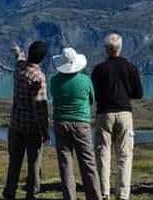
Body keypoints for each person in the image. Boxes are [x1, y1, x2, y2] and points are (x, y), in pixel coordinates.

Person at [91, 33, 144, 200]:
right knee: (124, 155)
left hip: (104, 113)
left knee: (102, 153)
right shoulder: (131, 67)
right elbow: (139, 93)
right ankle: (122, 194)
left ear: (107, 49)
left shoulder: (98, 69)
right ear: (120, 47)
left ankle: (103, 193)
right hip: (124, 113)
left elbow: (93, 94)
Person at [50, 47, 103, 200]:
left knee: (65, 163)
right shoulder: (85, 80)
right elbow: (92, 99)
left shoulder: (54, 80)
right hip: (81, 123)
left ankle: (69, 197)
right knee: (88, 163)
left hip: (61, 123)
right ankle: (94, 197)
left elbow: (54, 97)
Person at [2, 41, 50, 200]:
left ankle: (9, 193)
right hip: (32, 129)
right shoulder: (38, 77)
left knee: (14, 162)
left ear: (30, 53)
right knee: (34, 163)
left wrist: (17, 51)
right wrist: (45, 130)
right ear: (43, 58)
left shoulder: (20, 68)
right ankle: (32, 194)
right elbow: (40, 107)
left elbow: (19, 58)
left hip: (15, 124)